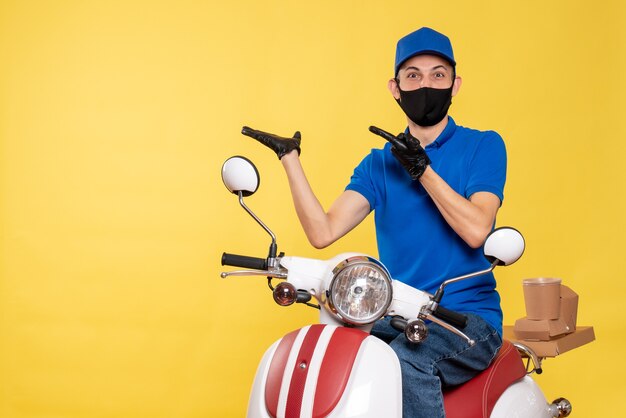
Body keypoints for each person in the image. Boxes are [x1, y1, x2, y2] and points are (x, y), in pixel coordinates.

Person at [242, 27, 506, 418]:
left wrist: (422, 169)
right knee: (331, 352)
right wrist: (290, 159)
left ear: (455, 85)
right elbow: (323, 232)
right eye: (413, 76)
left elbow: (476, 230)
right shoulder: (380, 163)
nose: (426, 84)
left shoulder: (484, 145)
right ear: (395, 88)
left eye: (438, 74)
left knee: (406, 362)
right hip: (397, 313)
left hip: (466, 320)